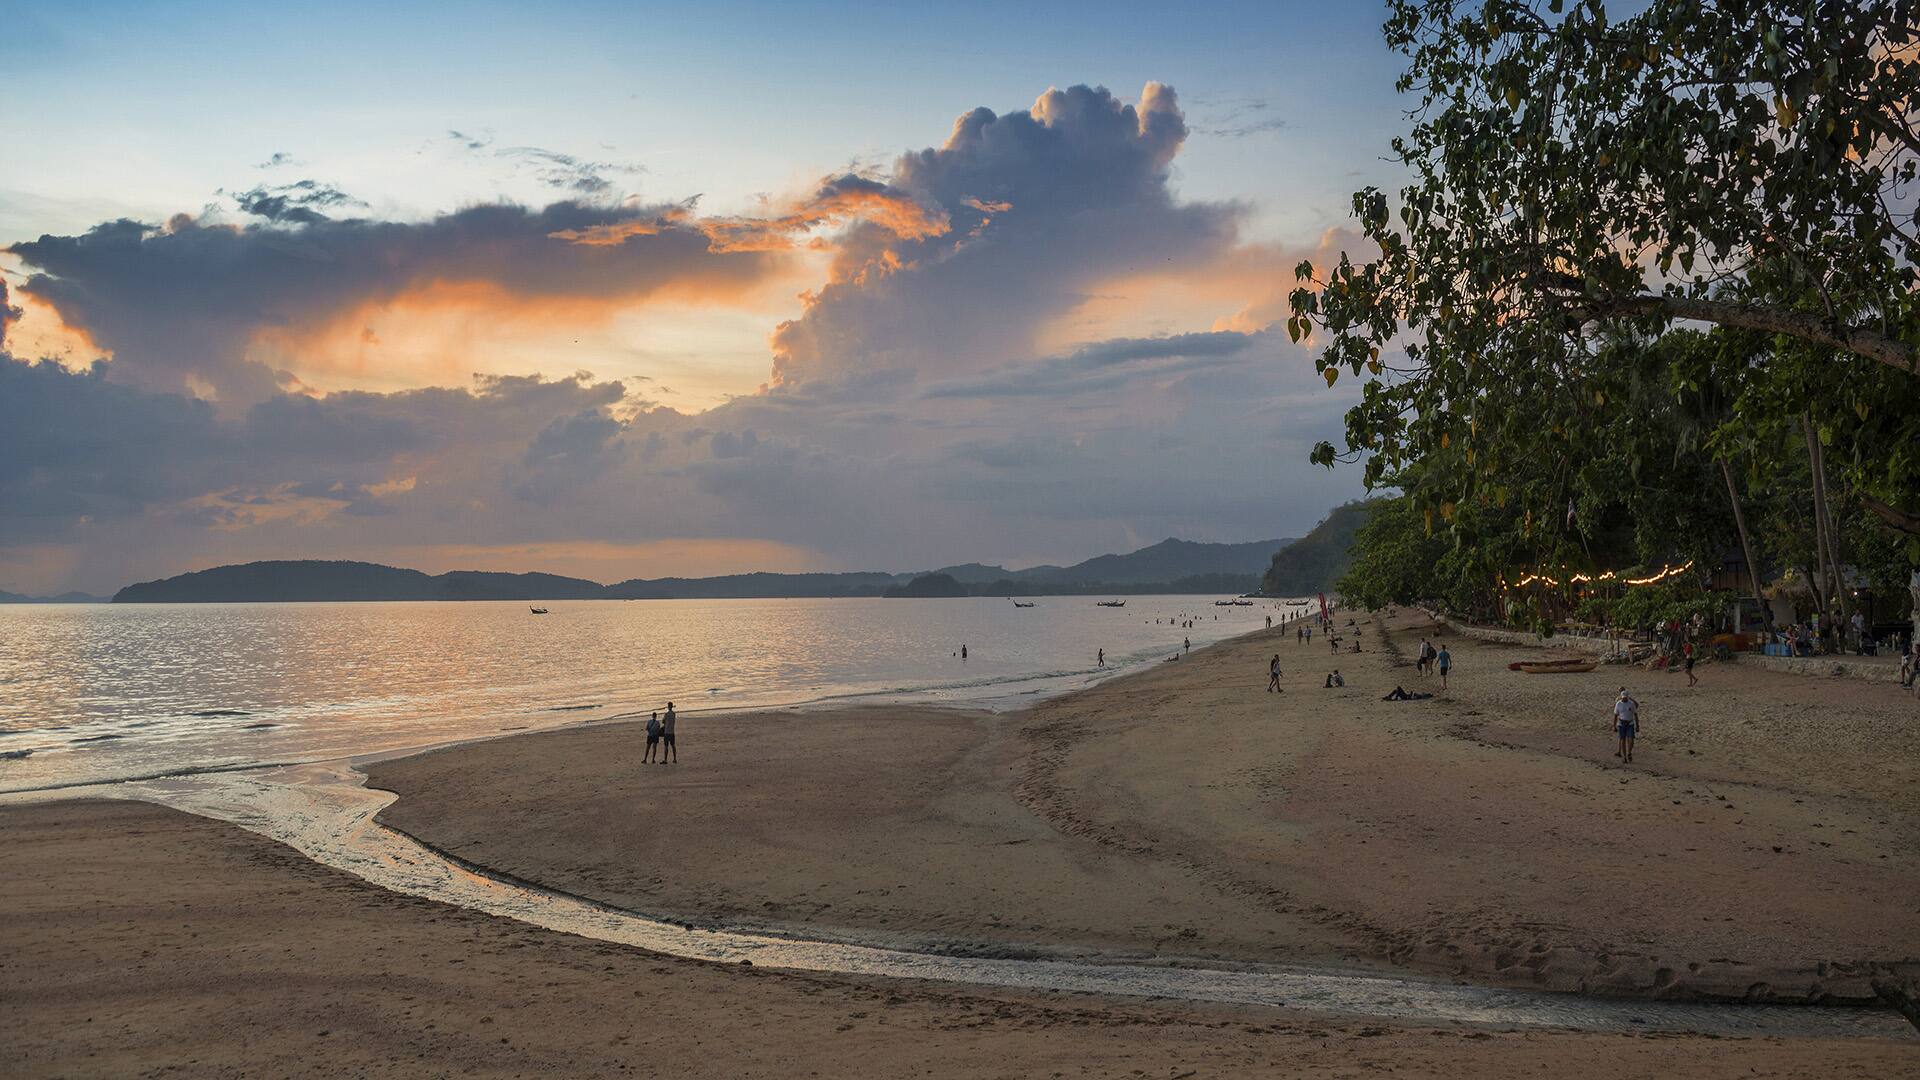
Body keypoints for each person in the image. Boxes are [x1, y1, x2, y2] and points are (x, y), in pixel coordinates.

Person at [1612, 690, 1638, 763]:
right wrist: (1614, 726)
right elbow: (1615, 715)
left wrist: (1637, 725)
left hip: (1630, 723)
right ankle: (1624, 756)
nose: (1624, 699)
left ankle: (1629, 752)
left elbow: (1635, 714)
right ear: (1621, 697)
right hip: (1621, 723)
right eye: (1623, 697)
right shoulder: (1618, 704)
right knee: (1622, 740)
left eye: (1625, 697)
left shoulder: (1631, 703)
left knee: (1631, 739)